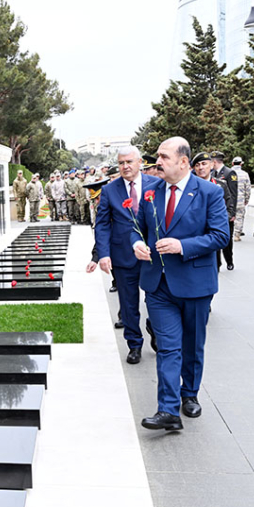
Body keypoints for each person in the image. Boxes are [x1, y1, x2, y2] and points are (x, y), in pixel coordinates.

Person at [132, 137, 229, 431]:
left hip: (195, 284)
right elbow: (138, 229)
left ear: (183, 161)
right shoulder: (151, 192)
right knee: (168, 347)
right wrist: (137, 243)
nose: (158, 162)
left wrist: (182, 246)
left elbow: (220, 236)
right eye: (158, 156)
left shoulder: (210, 192)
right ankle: (168, 410)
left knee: (192, 345)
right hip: (158, 285)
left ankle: (190, 393)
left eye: (164, 157)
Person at [89, 146, 162, 364]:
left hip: (152, 255)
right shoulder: (109, 190)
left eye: (129, 162)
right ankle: (134, 344)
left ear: (140, 162)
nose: (125, 166)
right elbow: (102, 224)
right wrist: (103, 254)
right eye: (121, 163)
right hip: (122, 256)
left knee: (157, 299)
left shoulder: (156, 185)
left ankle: (155, 329)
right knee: (128, 304)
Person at [210, 151, 237, 270]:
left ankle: (229, 261)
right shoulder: (212, 173)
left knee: (227, 239)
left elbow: (233, 194)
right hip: (216, 212)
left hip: (227, 211)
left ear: (214, 162)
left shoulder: (229, 173)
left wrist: (233, 212)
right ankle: (218, 263)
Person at [230, 156, 251, 241]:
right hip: (240, 200)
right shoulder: (245, 174)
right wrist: (246, 199)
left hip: (230, 200)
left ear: (232, 163)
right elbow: (248, 188)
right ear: (241, 164)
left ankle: (229, 234)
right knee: (239, 217)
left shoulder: (228, 173)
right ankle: (237, 235)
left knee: (229, 217)